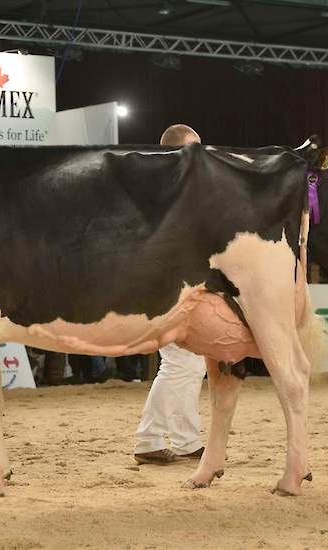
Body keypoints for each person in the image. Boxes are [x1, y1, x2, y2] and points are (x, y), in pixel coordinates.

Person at [133, 124, 209, 465]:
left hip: (177, 279)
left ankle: (186, 439)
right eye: (195, 148)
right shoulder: (165, 185)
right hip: (165, 281)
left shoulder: (168, 184)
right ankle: (149, 439)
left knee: (190, 364)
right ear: (179, 150)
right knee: (181, 362)